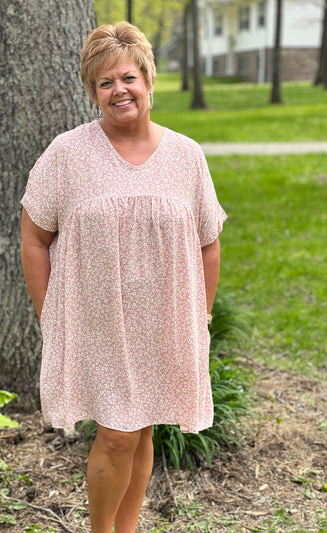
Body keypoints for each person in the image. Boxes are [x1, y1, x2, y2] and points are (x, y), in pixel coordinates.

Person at [20, 21, 227, 533]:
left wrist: (198, 317)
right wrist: (53, 316)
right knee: (116, 435)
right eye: (105, 83)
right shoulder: (67, 154)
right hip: (99, 323)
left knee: (143, 430)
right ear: (94, 92)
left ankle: (127, 529)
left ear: (149, 81)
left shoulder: (186, 155)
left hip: (164, 322)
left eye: (128, 77)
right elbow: (33, 239)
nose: (119, 91)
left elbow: (209, 242)